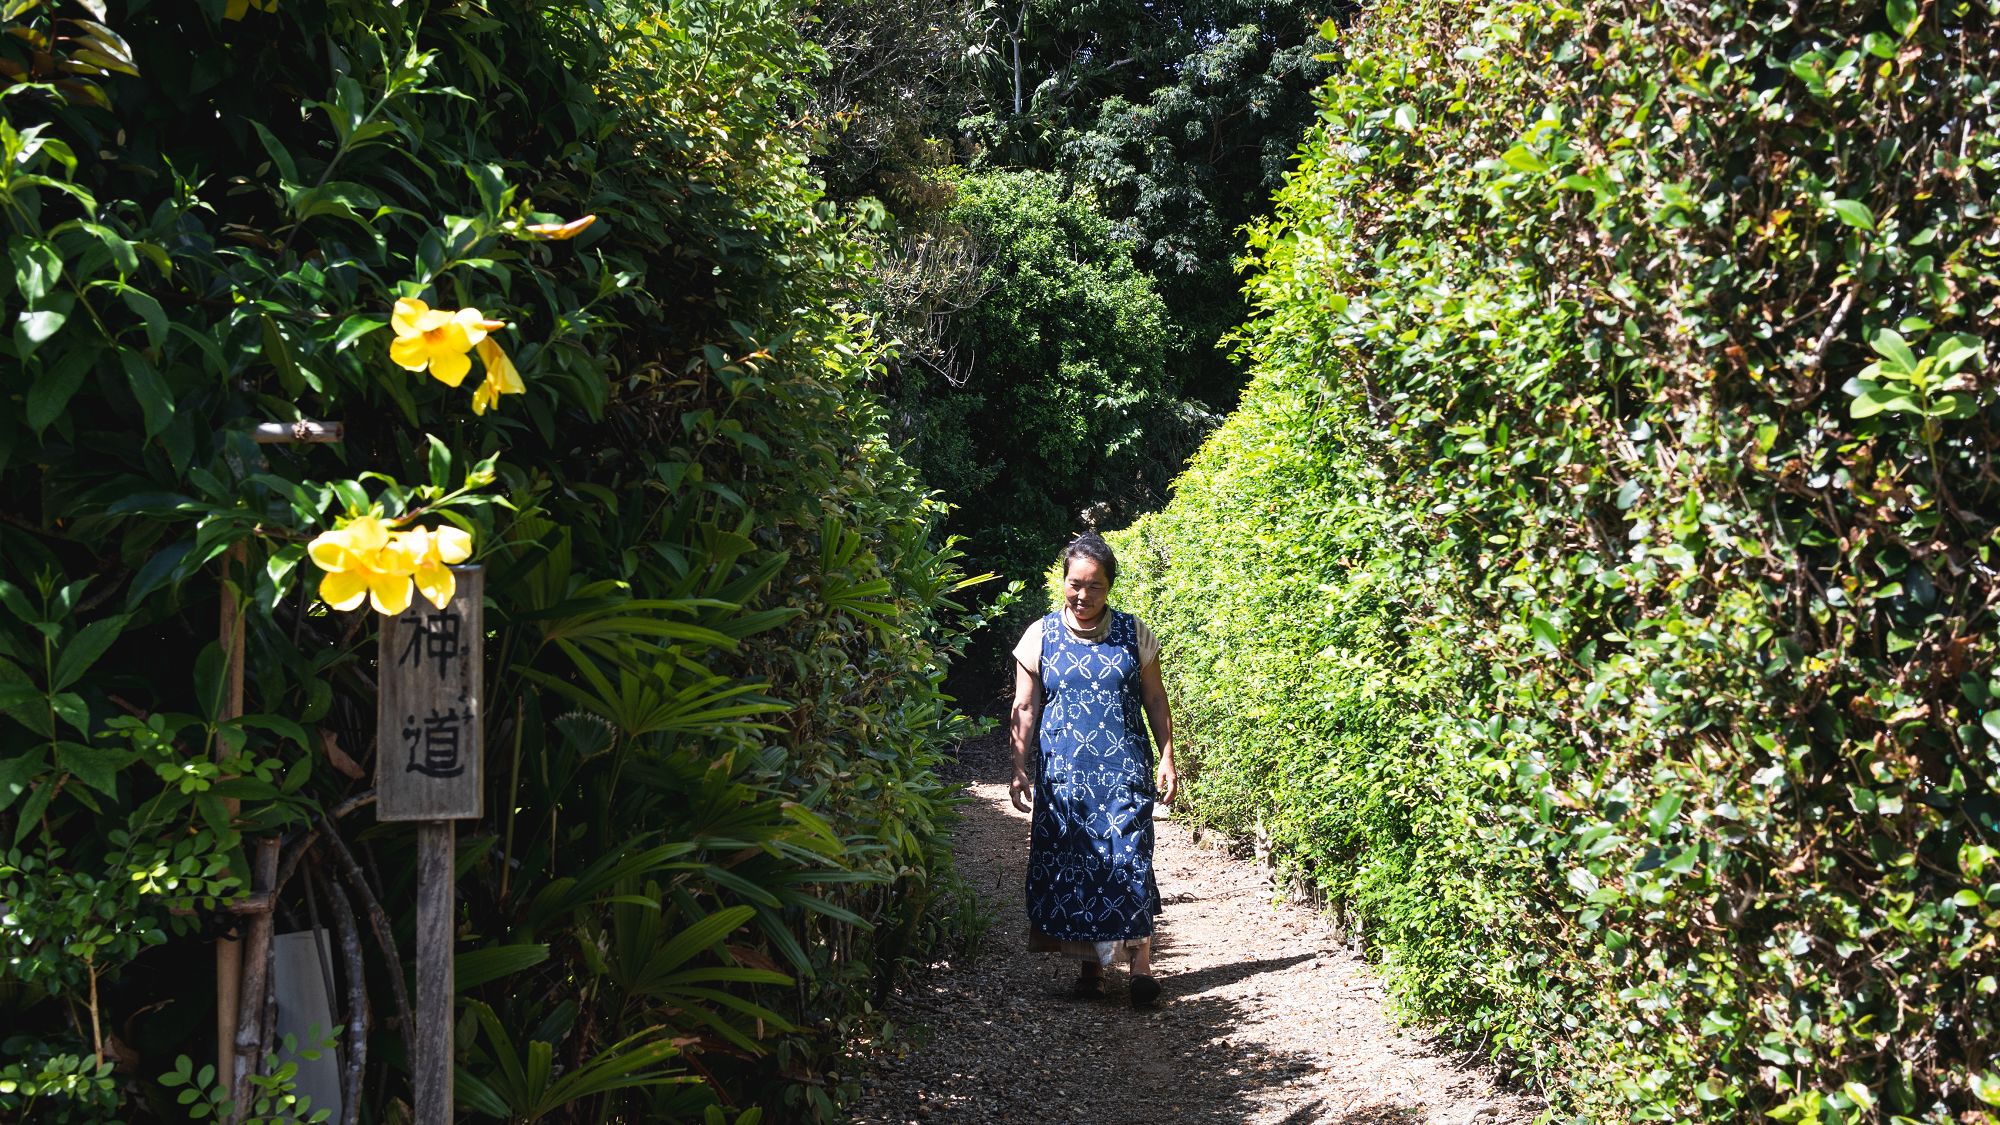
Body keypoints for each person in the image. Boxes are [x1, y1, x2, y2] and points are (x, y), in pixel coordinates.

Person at [1009, 532, 1178, 1006]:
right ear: (1063, 581)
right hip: (1064, 774)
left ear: (1110, 587)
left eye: (1094, 586)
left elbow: (1154, 699)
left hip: (1124, 770)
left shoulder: (1134, 634)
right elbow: (1024, 707)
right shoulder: (1039, 636)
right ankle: (1091, 969)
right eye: (1074, 584)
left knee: (1130, 858)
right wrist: (1019, 766)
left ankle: (1141, 966)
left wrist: (1167, 755)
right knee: (1078, 861)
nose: (1082, 595)